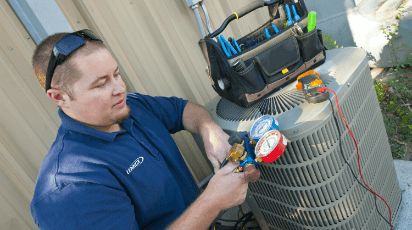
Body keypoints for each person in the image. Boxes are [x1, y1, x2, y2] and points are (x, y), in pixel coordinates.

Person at [30, 29, 260, 229]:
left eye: (116, 74)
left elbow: (183, 110)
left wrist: (210, 131)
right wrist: (213, 202)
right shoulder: (69, 188)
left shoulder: (131, 106)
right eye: (101, 84)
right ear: (59, 97)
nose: (119, 87)